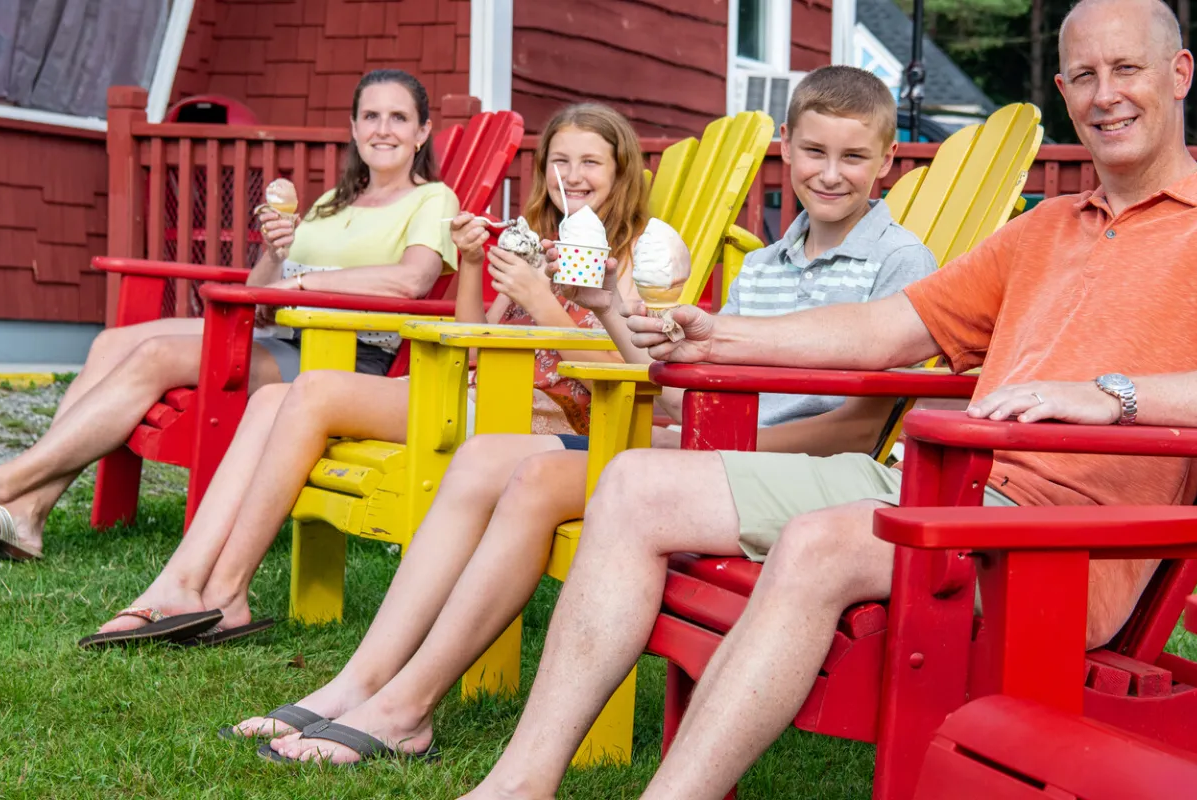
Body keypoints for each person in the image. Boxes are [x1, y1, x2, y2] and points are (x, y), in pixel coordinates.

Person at [462, 2, 1197, 798]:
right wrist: (713, 334)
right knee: (632, 485)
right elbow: (883, 331)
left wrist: (1111, 395)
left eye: (1127, 71)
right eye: (1085, 78)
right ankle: (520, 783)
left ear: (1178, 75)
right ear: (1062, 92)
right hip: (935, 495)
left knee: (820, 542)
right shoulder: (1047, 226)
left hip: (1061, 547)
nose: (1107, 96)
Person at [239, 66, 939, 765]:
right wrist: (606, 307)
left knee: (540, 481)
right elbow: (675, 392)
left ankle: (406, 708)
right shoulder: (765, 266)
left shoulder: (900, 262)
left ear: (888, 161)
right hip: (709, 445)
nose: (830, 174)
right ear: (786, 147)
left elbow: (858, 429)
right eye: (815, 152)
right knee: (486, 457)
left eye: (853, 157)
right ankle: (361, 678)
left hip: (790, 471)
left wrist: (723, 438)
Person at [71, 103, 671, 648]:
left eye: (591, 161)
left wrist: (542, 302)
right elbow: (475, 339)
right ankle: (186, 580)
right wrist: (468, 265)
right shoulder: (538, 241)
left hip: (534, 420)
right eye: (559, 161)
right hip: (472, 389)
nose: (574, 174)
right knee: (271, 400)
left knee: (310, 391)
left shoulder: (643, 250)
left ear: (622, 172)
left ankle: (224, 591)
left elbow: (630, 375)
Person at [0, 70, 456, 562]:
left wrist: (306, 280)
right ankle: (31, 514)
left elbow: (413, 280)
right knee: (113, 344)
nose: (384, 129)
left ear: (421, 132)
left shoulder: (431, 200)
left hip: (349, 357)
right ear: (354, 128)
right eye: (371, 116)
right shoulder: (331, 203)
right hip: (285, 333)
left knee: (160, 355)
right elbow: (263, 299)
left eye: (399, 118)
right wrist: (274, 252)